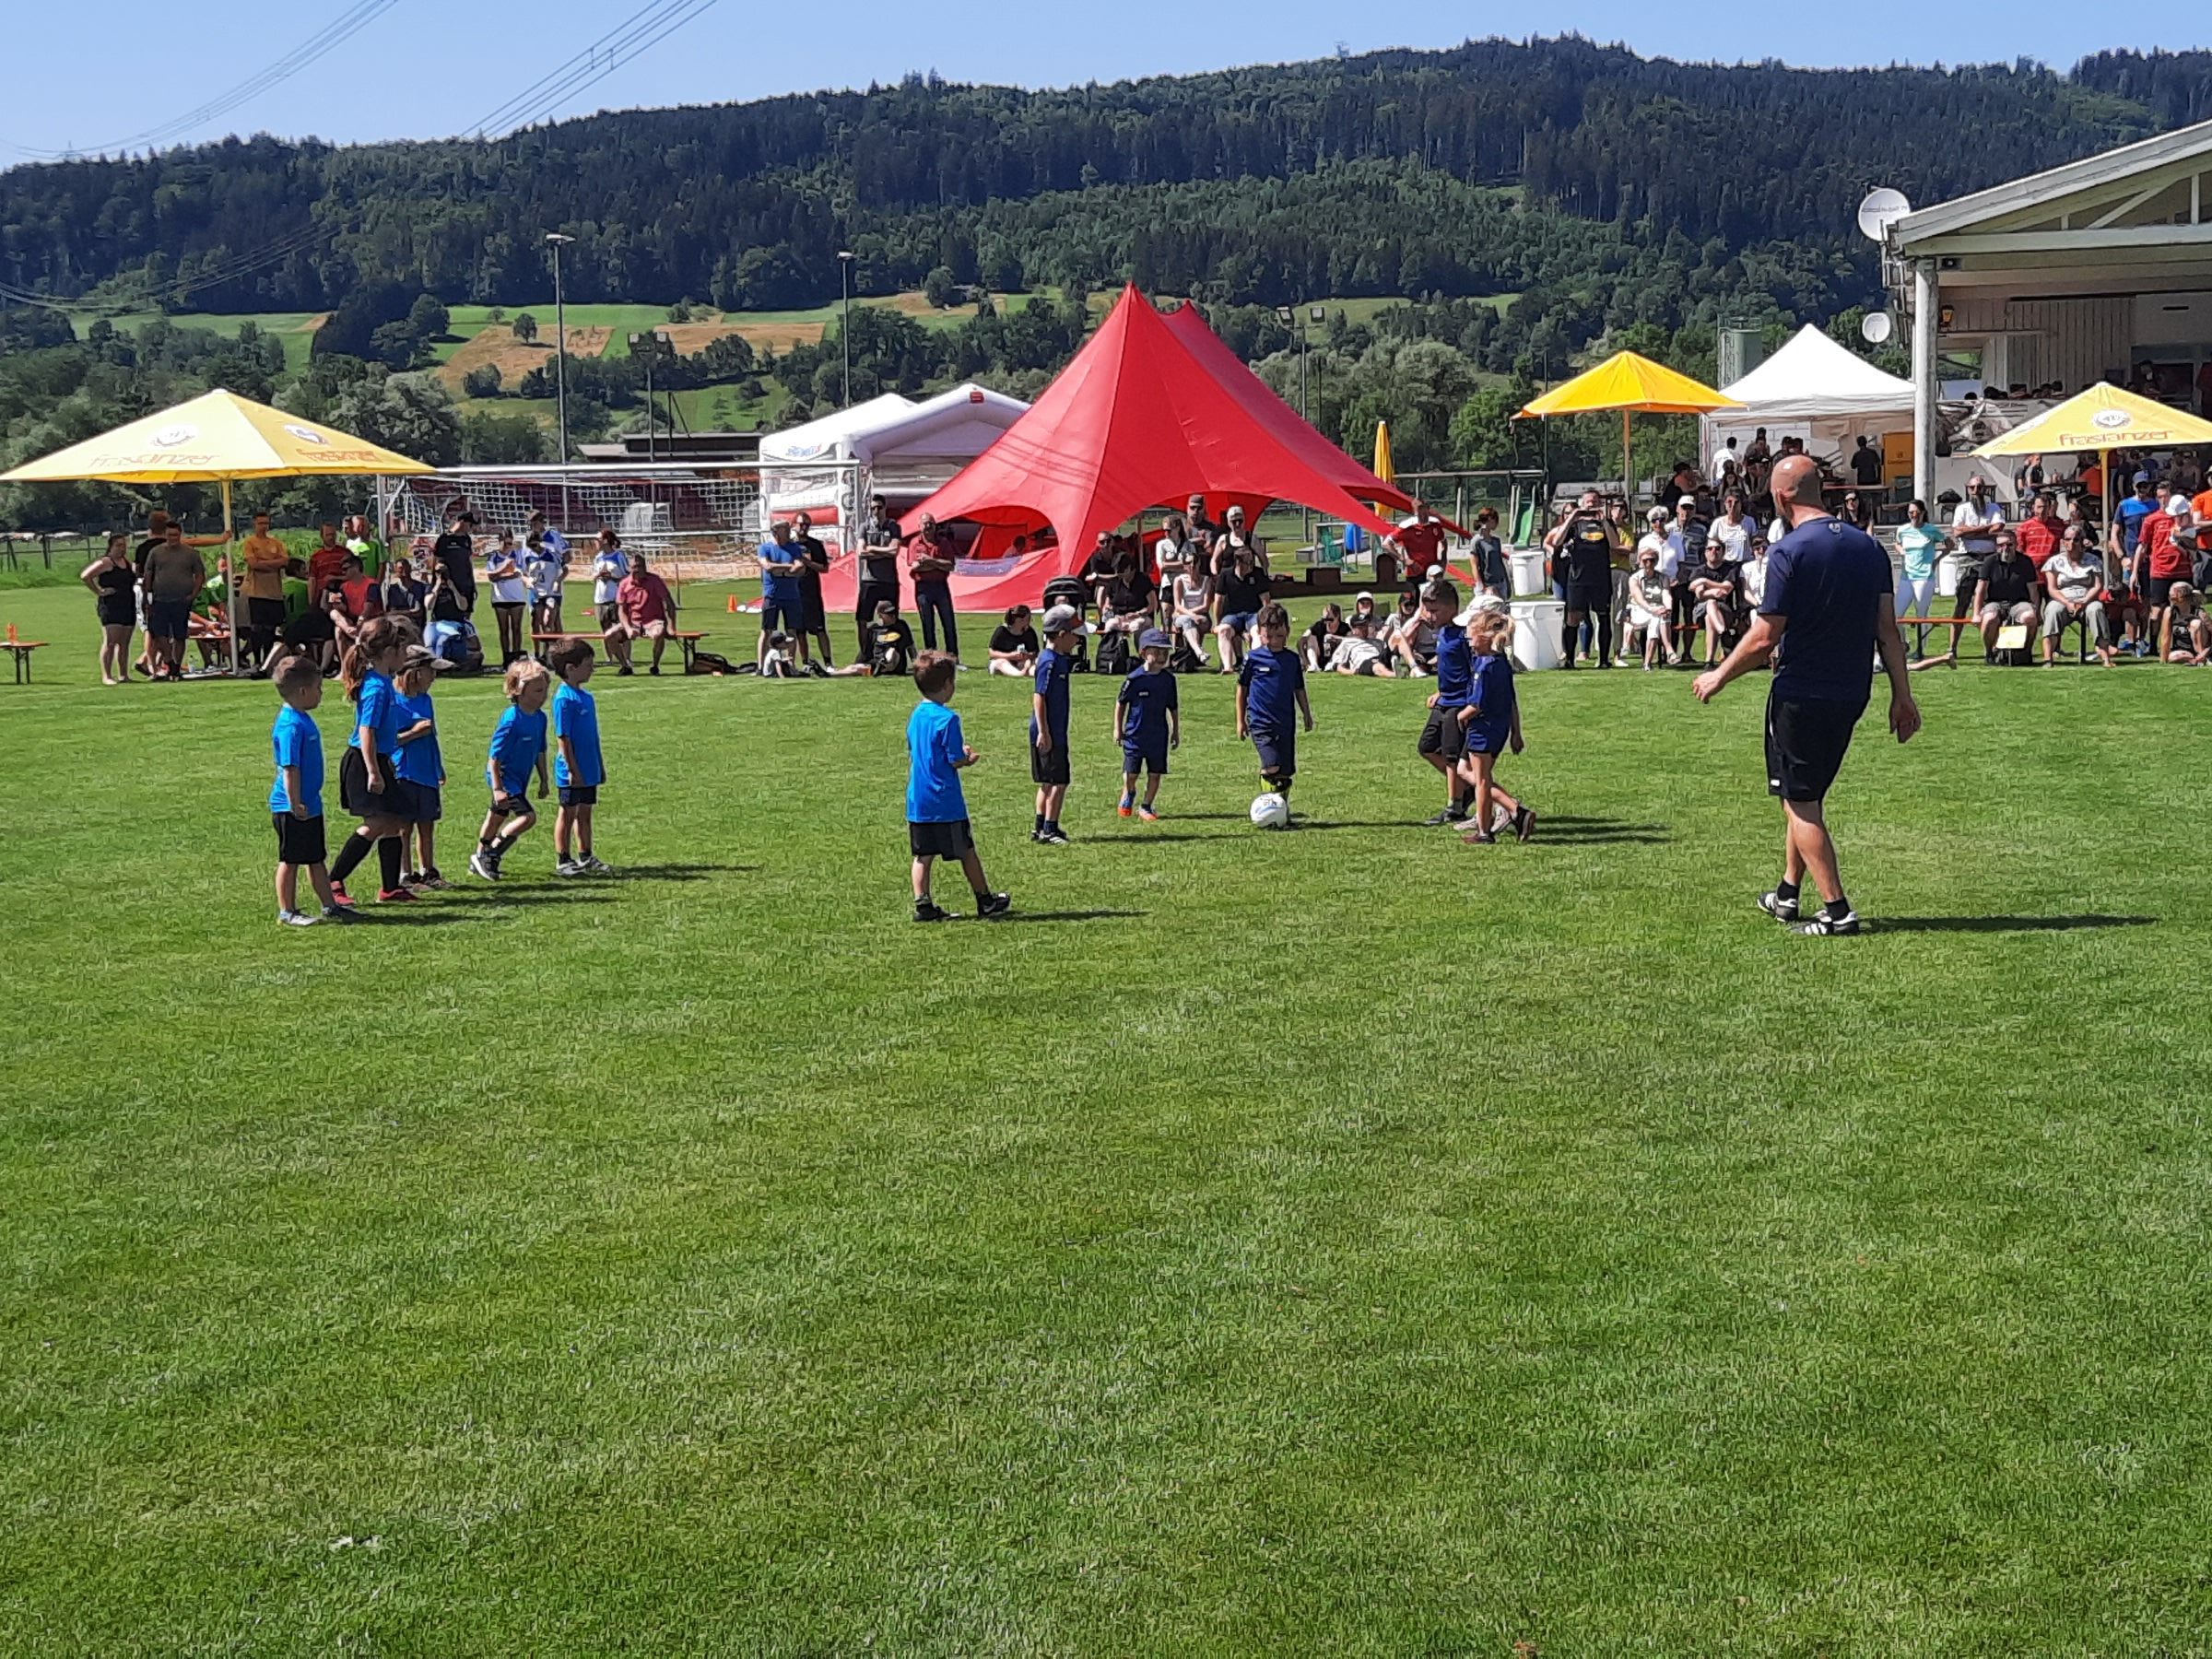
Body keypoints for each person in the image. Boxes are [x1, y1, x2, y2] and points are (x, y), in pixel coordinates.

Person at [1692, 453, 1920, 937]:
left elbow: (1765, 636)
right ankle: (1787, 894)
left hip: (1801, 692)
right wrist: (1902, 695)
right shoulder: (1869, 548)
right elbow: (1888, 631)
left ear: (1780, 496)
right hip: (1852, 689)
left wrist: (1719, 675)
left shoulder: (1788, 551)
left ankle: (1838, 912)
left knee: (1800, 802)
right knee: (1806, 796)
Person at [906, 651, 1009, 922]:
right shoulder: (948, 719)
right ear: (948, 685)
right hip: (945, 800)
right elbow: (954, 759)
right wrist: (967, 757)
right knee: (966, 851)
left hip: (918, 799)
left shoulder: (917, 714)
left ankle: (923, 903)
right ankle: (985, 900)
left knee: (922, 855)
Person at [326, 615, 418, 907]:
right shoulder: (377, 688)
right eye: (404, 651)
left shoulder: (383, 681)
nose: (406, 657)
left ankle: (390, 888)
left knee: (393, 821)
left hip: (379, 760)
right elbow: (366, 731)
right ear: (389, 653)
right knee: (376, 823)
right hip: (364, 763)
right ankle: (333, 880)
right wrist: (373, 771)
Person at [265, 653, 351, 926]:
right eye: (318, 689)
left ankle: (330, 906)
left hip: (310, 803)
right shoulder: (290, 725)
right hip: (292, 806)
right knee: (290, 860)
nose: (321, 694)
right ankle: (287, 911)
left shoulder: (302, 718)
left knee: (316, 858)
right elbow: (290, 768)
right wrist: (295, 802)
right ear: (303, 691)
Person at [1456, 607, 1534, 845]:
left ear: (1484, 635)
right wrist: (1516, 732)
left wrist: (1461, 716)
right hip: (1500, 728)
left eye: (1471, 637)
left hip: (1483, 728)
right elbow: (1511, 700)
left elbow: (1477, 704)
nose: (1469, 643)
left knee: (1481, 780)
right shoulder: (1501, 663)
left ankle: (1490, 828)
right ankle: (1509, 814)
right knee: (1469, 771)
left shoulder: (1485, 666)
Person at [471, 658, 554, 881]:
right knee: (527, 817)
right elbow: (494, 757)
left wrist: (544, 779)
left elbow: (540, 750)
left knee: (497, 816)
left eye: (545, 690)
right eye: (537, 690)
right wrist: (498, 788)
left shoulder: (540, 718)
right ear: (518, 690)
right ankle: (493, 852)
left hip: (520, 778)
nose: (543, 695)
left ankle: (479, 855)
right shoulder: (511, 719)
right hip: (504, 776)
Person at [1236, 602, 1312, 827]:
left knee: (1285, 771)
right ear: (1259, 633)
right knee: (1272, 766)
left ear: (1287, 632)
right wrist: (1241, 720)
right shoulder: (1253, 659)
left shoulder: (1291, 660)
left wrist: (1306, 714)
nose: (1274, 641)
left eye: (1279, 635)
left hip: (1286, 722)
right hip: (1261, 722)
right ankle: (1269, 809)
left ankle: (1281, 814)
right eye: (1268, 636)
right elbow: (1242, 689)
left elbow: (1299, 689)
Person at [548, 637, 611, 875]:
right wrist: (573, 770)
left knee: (585, 813)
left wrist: (599, 766)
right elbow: (563, 737)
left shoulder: (586, 697)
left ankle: (586, 855)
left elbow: (592, 737)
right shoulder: (564, 699)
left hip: (589, 766)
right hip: (572, 770)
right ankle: (563, 858)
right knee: (568, 812)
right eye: (588, 665)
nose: (592, 670)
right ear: (570, 669)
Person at [1416, 580, 1477, 824]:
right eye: (1427, 610)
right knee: (1427, 746)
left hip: (1459, 703)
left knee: (1452, 757)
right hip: (1445, 700)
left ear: (1452, 609)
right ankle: (1465, 789)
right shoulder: (1441, 633)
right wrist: (1439, 692)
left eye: (1434, 610)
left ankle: (1455, 807)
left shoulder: (1464, 637)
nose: (1429, 616)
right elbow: (1448, 668)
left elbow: (1472, 670)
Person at [392, 645, 450, 889]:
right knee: (404, 827)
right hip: (404, 771)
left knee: (427, 824)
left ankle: (428, 870)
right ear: (415, 672)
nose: (434, 678)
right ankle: (405, 873)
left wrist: (438, 766)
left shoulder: (426, 700)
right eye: (430, 672)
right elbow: (388, 740)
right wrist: (414, 733)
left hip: (426, 771)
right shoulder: (394, 702)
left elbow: (432, 735)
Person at [1546, 489, 1620, 669]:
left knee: (1603, 616)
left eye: (1595, 500)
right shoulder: (1574, 525)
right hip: (1578, 577)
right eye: (1588, 501)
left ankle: (1603, 659)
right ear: (1582, 503)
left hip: (1600, 577)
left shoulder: (1605, 522)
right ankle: (1570, 659)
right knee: (1573, 618)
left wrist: (1603, 520)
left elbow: (1615, 544)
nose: (1591, 504)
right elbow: (1556, 542)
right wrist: (1572, 517)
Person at [1029, 604, 1083, 844]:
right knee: (1058, 782)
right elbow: (1039, 696)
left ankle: (1040, 827)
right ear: (1061, 635)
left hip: (1054, 730)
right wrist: (1044, 731)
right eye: (1074, 635)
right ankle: (1049, 829)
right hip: (1050, 732)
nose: (1077, 640)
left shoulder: (1059, 659)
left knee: (1048, 782)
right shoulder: (1050, 662)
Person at [1114, 628, 1180, 820]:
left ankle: (1147, 805)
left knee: (1155, 773)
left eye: (1165, 653)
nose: (1162, 657)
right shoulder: (1135, 679)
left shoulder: (1168, 680)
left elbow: (1173, 707)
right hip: (1135, 734)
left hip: (1158, 735)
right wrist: (1118, 729)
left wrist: (1175, 732)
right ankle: (1129, 791)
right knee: (1131, 773)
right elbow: (1121, 703)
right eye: (1157, 652)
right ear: (1144, 652)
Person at [139, 521, 208, 681]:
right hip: (160, 599)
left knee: (180, 635)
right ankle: (169, 661)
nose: (173, 538)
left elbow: (199, 575)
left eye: (176, 535)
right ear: (165, 535)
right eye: (170, 535)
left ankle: (176, 668)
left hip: (181, 600)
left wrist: (193, 594)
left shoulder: (190, 553)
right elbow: (148, 574)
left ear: (180, 535)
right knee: (159, 634)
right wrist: (147, 595)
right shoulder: (156, 552)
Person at [2041, 524, 2115, 667]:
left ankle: (2106, 658)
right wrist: (2068, 603)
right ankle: (2048, 658)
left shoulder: (2094, 560)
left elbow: (2098, 586)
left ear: (2082, 541)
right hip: (2062, 598)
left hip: (2088, 597)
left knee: (2096, 609)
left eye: (2076, 540)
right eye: (2067, 539)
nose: (2071, 543)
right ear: (2063, 541)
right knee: (2052, 610)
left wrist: (2084, 602)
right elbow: (2052, 589)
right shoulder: (2054, 562)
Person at [232, 509, 291, 673]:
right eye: (260, 523)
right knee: (257, 629)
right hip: (257, 592)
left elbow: (285, 561)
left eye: (266, 523)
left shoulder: (276, 543)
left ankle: (268, 661)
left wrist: (264, 563)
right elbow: (253, 564)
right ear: (254, 524)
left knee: (271, 630)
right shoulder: (250, 542)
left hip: (274, 593)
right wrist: (272, 564)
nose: (263, 526)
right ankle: (256, 661)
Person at [1971, 527, 2041, 659]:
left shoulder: (2026, 562)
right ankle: (1989, 652)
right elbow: (1980, 589)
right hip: (1994, 602)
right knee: (1990, 618)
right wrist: (1976, 614)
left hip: (2020, 602)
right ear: (1997, 547)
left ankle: (2025, 652)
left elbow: (2033, 590)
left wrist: (2037, 612)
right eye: (2001, 545)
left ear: (2016, 545)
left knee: (2030, 618)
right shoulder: (1989, 562)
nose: (2005, 548)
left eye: (2009, 544)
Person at [1893, 500, 1948, 661]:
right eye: (1910, 513)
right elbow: (1897, 543)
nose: (1913, 516)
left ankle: (1921, 650)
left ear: (1923, 513)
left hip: (1924, 576)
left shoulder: (1931, 530)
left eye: (1916, 512)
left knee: (1921, 615)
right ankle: (1904, 643)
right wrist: (1901, 551)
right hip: (1906, 576)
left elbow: (1949, 544)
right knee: (1896, 615)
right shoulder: (1902, 530)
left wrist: (1937, 560)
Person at [81, 533, 138, 685]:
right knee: (111, 640)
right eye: (118, 545)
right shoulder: (106, 562)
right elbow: (85, 576)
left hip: (128, 603)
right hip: (111, 605)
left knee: (125, 642)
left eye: (124, 545)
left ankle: (124, 675)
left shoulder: (127, 563)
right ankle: (107, 676)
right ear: (111, 547)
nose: (122, 549)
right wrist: (99, 591)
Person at [1951, 477, 2006, 624]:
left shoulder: (1993, 507)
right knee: (1962, 602)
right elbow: (1957, 532)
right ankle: (1953, 645)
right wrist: (1986, 529)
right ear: (1968, 490)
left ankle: (1993, 641)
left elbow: (1998, 528)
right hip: (1967, 558)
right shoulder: (1961, 509)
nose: (1976, 491)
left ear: (1985, 489)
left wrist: (1969, 532)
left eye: (1979, 487)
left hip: (1989, 558)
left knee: (1994, 601)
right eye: (1973, 488)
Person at [854, 496, 904, 659]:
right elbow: (861, 552)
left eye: (879, 507)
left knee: (892, 618)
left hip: (889, 580)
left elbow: (894, 551)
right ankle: (865, 654)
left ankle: (894, 652)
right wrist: (883, 552)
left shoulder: (893, 526)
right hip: (869, 580)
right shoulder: (864, 527)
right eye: (873, 508)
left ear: (885, 508)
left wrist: (872, 550)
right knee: (862, 619)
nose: (876, 511)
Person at [617, 552, 679, 676]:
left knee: (659, 633)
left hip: (653, 621)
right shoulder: (624, 584)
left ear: (645, 567)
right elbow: (621, 610)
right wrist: (628, 628)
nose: (637, 570)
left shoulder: (655, 581)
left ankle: (655, 665)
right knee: (609, 635)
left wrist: (671, 627)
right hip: (633, 622)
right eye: (634, 567)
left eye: (640, 566)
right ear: (629, 568)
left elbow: (669, 603)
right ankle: (625, 666)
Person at [1212, 541, 1269, 672]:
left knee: (1256, 632)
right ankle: (1228, 666)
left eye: (1252, 561)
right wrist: (1217, 623)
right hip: (1232, 615)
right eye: (1248, 562)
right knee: (1223, 631)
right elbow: (1218, 600)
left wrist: (1264, 622)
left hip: (1253, 614)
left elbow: (1265, 600)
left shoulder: (1258, 574)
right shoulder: (1225, 575)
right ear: (1238, 563)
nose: (1251, 565)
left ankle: (1255, 663)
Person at [908, 513, 960, 656]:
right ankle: (931, 656)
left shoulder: (943, 543)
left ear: (935, 526)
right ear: (919, 526)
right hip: (923, 587)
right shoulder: (914, 543)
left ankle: (952, 656)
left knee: (948, 622)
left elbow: (950, 565)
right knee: (927, 623)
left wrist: (929, 561)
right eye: (925, 523)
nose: (928, 526)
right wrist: (938, 564)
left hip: (940, 585)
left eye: (931, 523)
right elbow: (915, 566)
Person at [1688, 534, 1743, 667]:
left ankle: (1709, 661)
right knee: (1711, 603)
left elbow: (1726, 591)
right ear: (1705, 553)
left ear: (1723, 552)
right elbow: (1699, 594)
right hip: (1699, 611)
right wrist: (1713, 591)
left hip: (1725, 612)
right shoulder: (1699, 570)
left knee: (1710, 617)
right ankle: (1724, 634)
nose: (1714, 552)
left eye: (1718, 549)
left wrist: (1706, 582)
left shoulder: (1730, 569)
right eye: (1710, 549)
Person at [791, 512, 836, 668]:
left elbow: (824, 568)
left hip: (811, 591)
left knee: (819, 629)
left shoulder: (815, 545)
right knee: (799, 631)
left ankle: (828, 662)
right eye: (801, 524)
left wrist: (807, 563)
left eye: (807, 525)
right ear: (794, 525)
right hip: (795, 592)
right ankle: (805, 662)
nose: (803, 527)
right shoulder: (789, 545)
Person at [828, 599, 918, 677]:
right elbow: (866, 650)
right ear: (880, 615)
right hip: (876, 664)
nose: (893, 616)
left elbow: (910, 646)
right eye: (889, 614)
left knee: (892, 651)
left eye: (894, 613)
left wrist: (917, 665)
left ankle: (883, 665)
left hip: (895, 664)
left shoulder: (901, 626)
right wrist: (859, 662)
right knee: (855, 668)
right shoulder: (873, 629)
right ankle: (830, 674)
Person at [1622, 543, 1675, 669]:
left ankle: (1648, 663)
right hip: (1639, 610)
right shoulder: (1635, 578)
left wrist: (1668, 608)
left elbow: (1666, 594)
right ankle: (1668, 651)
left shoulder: (1663, 578)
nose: (1648, 563)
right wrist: (1652, 609)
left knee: (1658, 618)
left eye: (1652, 560)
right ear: (1640, 561)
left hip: (1656, 611)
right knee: (1657, 617)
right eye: (1645, 560)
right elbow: (1639, 599)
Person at [427, 510, 478, 637]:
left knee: (465, 617)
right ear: (462, 522)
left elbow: (468, 562)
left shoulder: (466, 540)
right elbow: (436, 562)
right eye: (470, 525)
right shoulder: (444, 539)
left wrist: (473, 584)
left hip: (465, 584)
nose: (471, 528)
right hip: (449, 584)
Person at [592, 529, 635, 674]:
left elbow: (627, 576)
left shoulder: (619, 555)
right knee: (604, 629)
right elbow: (592, 577)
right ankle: (610, 658)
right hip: (600, 598)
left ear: (605, 540)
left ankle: (627, 658)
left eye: (597, 540)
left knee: (621, 630)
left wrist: (613, 578)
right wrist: (598, 575)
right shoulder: (598, 558)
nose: (595, 542)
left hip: (616, 598)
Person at [485, 529, 529, 665]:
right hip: (500, 598)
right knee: (503, 629)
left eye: (511, 543)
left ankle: (516, 656)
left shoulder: (517, 555)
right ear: (500, 542)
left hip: (517, 597)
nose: (508, 547)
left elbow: (521, 573)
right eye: (506, 543)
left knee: (516, 628)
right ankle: (506, 657)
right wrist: (505, 570)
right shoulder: (494, 557)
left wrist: (502, 575)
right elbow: (491, 576)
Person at [524, 512, 568, 634]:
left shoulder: (553, 536)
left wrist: (555, 568)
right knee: (536, 619)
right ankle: (541, 651)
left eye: (534, 522)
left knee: (553, 618)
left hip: (551, 582)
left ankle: (559, 649)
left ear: (541, 521)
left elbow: (566, 555)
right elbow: (525, 562)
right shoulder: (527, 538)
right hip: (536, 584)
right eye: (530, 523)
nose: (532, 525)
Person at [1388, 500, 1448, 584]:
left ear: (1428, 508)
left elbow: (1443, 540)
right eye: (1419, 509)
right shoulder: (1407, 526)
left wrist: (1443, 559)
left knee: (1436, 594)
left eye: (1424, 508)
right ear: (1414, 511)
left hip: (1432, 570)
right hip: (1414, 572)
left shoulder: (1435, 524)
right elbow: (1387, 544)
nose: (1422, 512)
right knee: (1413, 596)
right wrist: (1404, 560)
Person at [522, 531, 564, 643]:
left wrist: (557, 581)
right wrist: (527, 581)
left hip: (551, 593)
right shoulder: (528, 557)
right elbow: (522, 574)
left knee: (548, 620)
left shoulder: (552, 554)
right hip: (536, 594)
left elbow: (564, 569)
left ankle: (554, 650)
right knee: (539, 623)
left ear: (540, 542)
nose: (533, 548)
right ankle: (543, 652)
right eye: (530, 546)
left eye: (535, 545)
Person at [1328, 616, 1395, 677]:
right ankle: (1394, 675)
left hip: (1380, 658)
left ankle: (1403, 662)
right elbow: (1338, 665)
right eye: (1361, 627)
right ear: (1353, 629)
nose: (1364, 629)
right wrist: (1350, 672)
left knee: (1397, 638)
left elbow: (1386, 651)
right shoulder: (1347, 643)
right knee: (1377, 666)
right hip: (1365, 662)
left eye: (1366, 626)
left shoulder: (1377, 641)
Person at [2163, 582, 2210, 663]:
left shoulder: (2200, 613)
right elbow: (2165, 637)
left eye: (2174, 596)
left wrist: (2206, 652)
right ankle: (2194, 660)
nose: (2171, 598)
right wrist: (2163, 660)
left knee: (2196, 623)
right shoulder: (2170, 611)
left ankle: (2202, 657)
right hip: (2183, 651)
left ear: (2184, 597)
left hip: (2201, 650)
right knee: (2173, 657)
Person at [987, 605, 1040, 677]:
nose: (1029, 622)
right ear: (1018, 620)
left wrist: (1026, 656)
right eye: (1027, 619)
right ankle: (1020, 674)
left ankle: (1033, 673)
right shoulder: (1002, 631)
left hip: (1022, 662)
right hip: (1003, 660)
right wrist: (1010, 656)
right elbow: (991, 653)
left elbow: (1034, 652)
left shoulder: (1029, 632)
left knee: (1034, 662)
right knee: (1001, 663)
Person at [2015, 491, 2064, 569]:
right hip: (2031, 568)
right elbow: (2019, 551)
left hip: (2052, 568)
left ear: (2049, 508)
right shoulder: (2024, 527)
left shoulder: (2059, 526)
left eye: (2045, 507)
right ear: (2033, 508)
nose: (2042, 510)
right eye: (2039, 507)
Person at [306, 520, 350, 604]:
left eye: (333, 534)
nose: (331, 538)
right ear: (322, 536)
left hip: (342, 594)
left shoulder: (345, 553)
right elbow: (312, 580)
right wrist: (312, 602)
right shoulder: (316, 557)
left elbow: (353, 575)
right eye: (328, 535)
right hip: (322, 597)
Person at [1468, 507, 1508, 600]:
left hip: (1501, 582)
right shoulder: (1477, 541)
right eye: (1496, 520)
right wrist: (1480, 586)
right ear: (1490, 519)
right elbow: (1474, 565)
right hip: (1488, 584)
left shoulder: (1496, 541)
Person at [378, 556, 428, 629]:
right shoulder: (393, 589)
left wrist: (397, 613)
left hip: (415, 626)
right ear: (396, 570)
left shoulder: (420, 587)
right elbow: (391, 612)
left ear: (410, 568)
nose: (404, 570)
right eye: (400, 568)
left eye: (406, 567)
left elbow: (418, 612)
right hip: (398, 626)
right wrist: (407, 613)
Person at [1303, 601, 1349, 670]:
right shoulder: (1319, 626)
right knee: (1311, 638)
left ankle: (1333, 664)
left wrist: (1336, 638)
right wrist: (1305, 661)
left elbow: (1353, 641)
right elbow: (1302, 639)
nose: (1328, 623)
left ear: (1337, 617)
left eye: (1331, 620)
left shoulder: (1345, 628)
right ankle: (1314, 665)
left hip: (1337, 658)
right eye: (1325, 620)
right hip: (1320, 656)